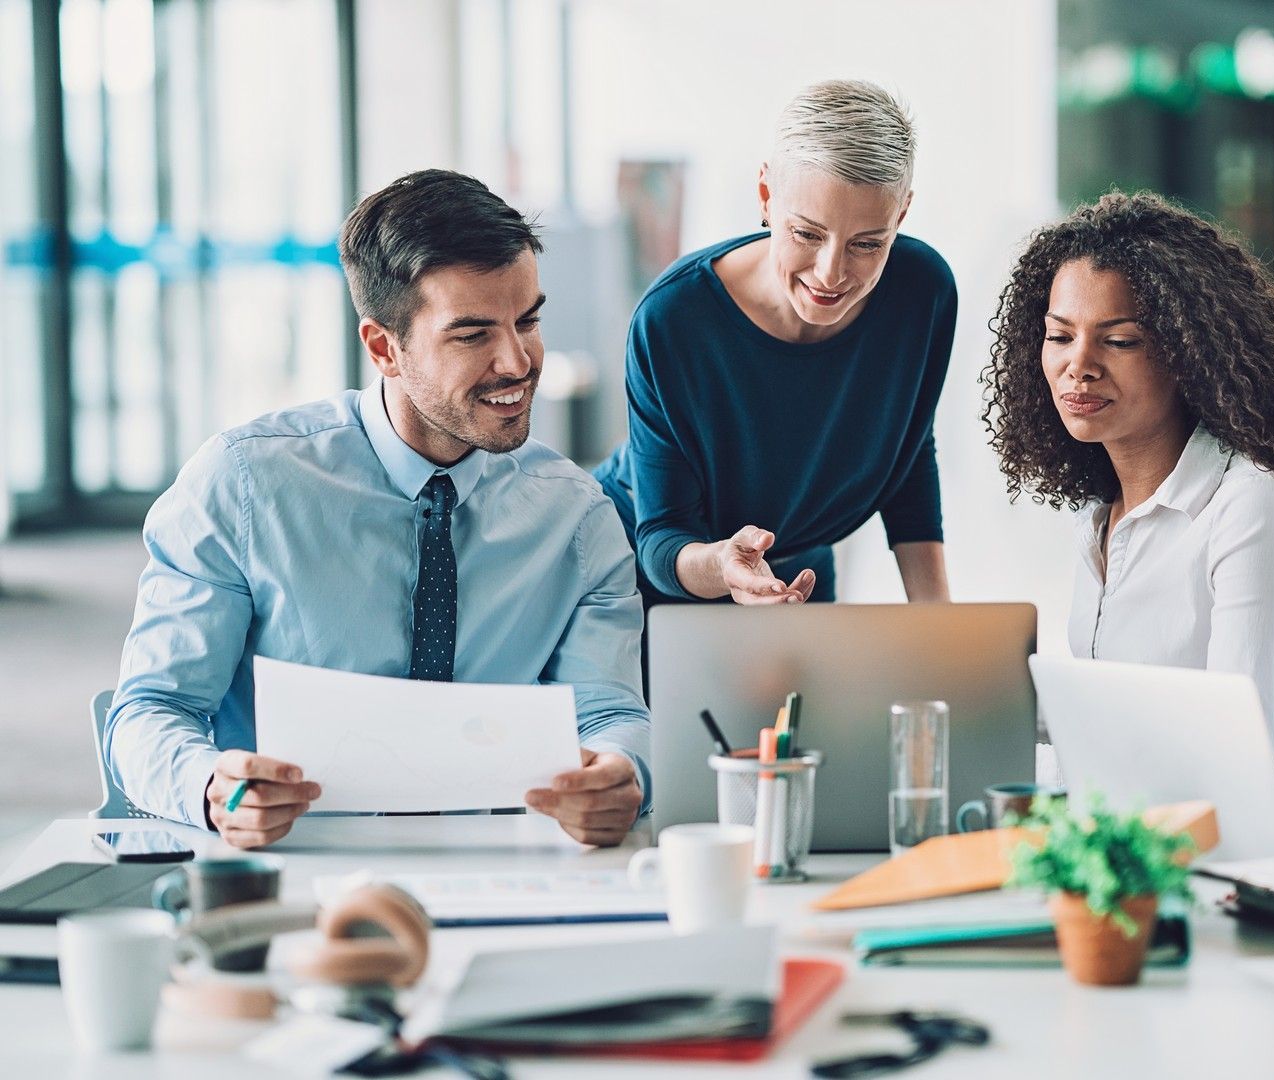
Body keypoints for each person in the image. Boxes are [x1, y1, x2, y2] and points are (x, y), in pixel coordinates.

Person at [106, 170, 650, 849]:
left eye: (529, 320)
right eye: (473, 334)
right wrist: (213, 789)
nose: (517, 361)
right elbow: (151, 711)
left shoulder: (575, 516)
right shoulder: (243, 485)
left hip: (504, 863)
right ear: (384, 347)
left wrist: (624, 770)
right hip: (291, 865)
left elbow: (608, 712)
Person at [982, 192, 1274, 790]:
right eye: (1059, 336)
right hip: (1129, 836)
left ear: (1189, 354)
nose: (1080, 365)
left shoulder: (1254, 505)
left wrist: (1050, 730)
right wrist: (986, 707)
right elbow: (1117, 711)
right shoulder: (1101, 512)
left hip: (1239, 852)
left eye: (1120, 341)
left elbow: (1236, 746)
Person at [593, 79, 954, 609]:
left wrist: (942, 628)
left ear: (900, 216)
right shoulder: (673, 320)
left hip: (795, 570)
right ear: (766, 196)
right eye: (807, 234)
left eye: (867, 244)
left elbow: (904, 452)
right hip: (655, 573)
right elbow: (662, 534)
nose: (831, 274)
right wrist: (725, 566)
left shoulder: (921, 292)